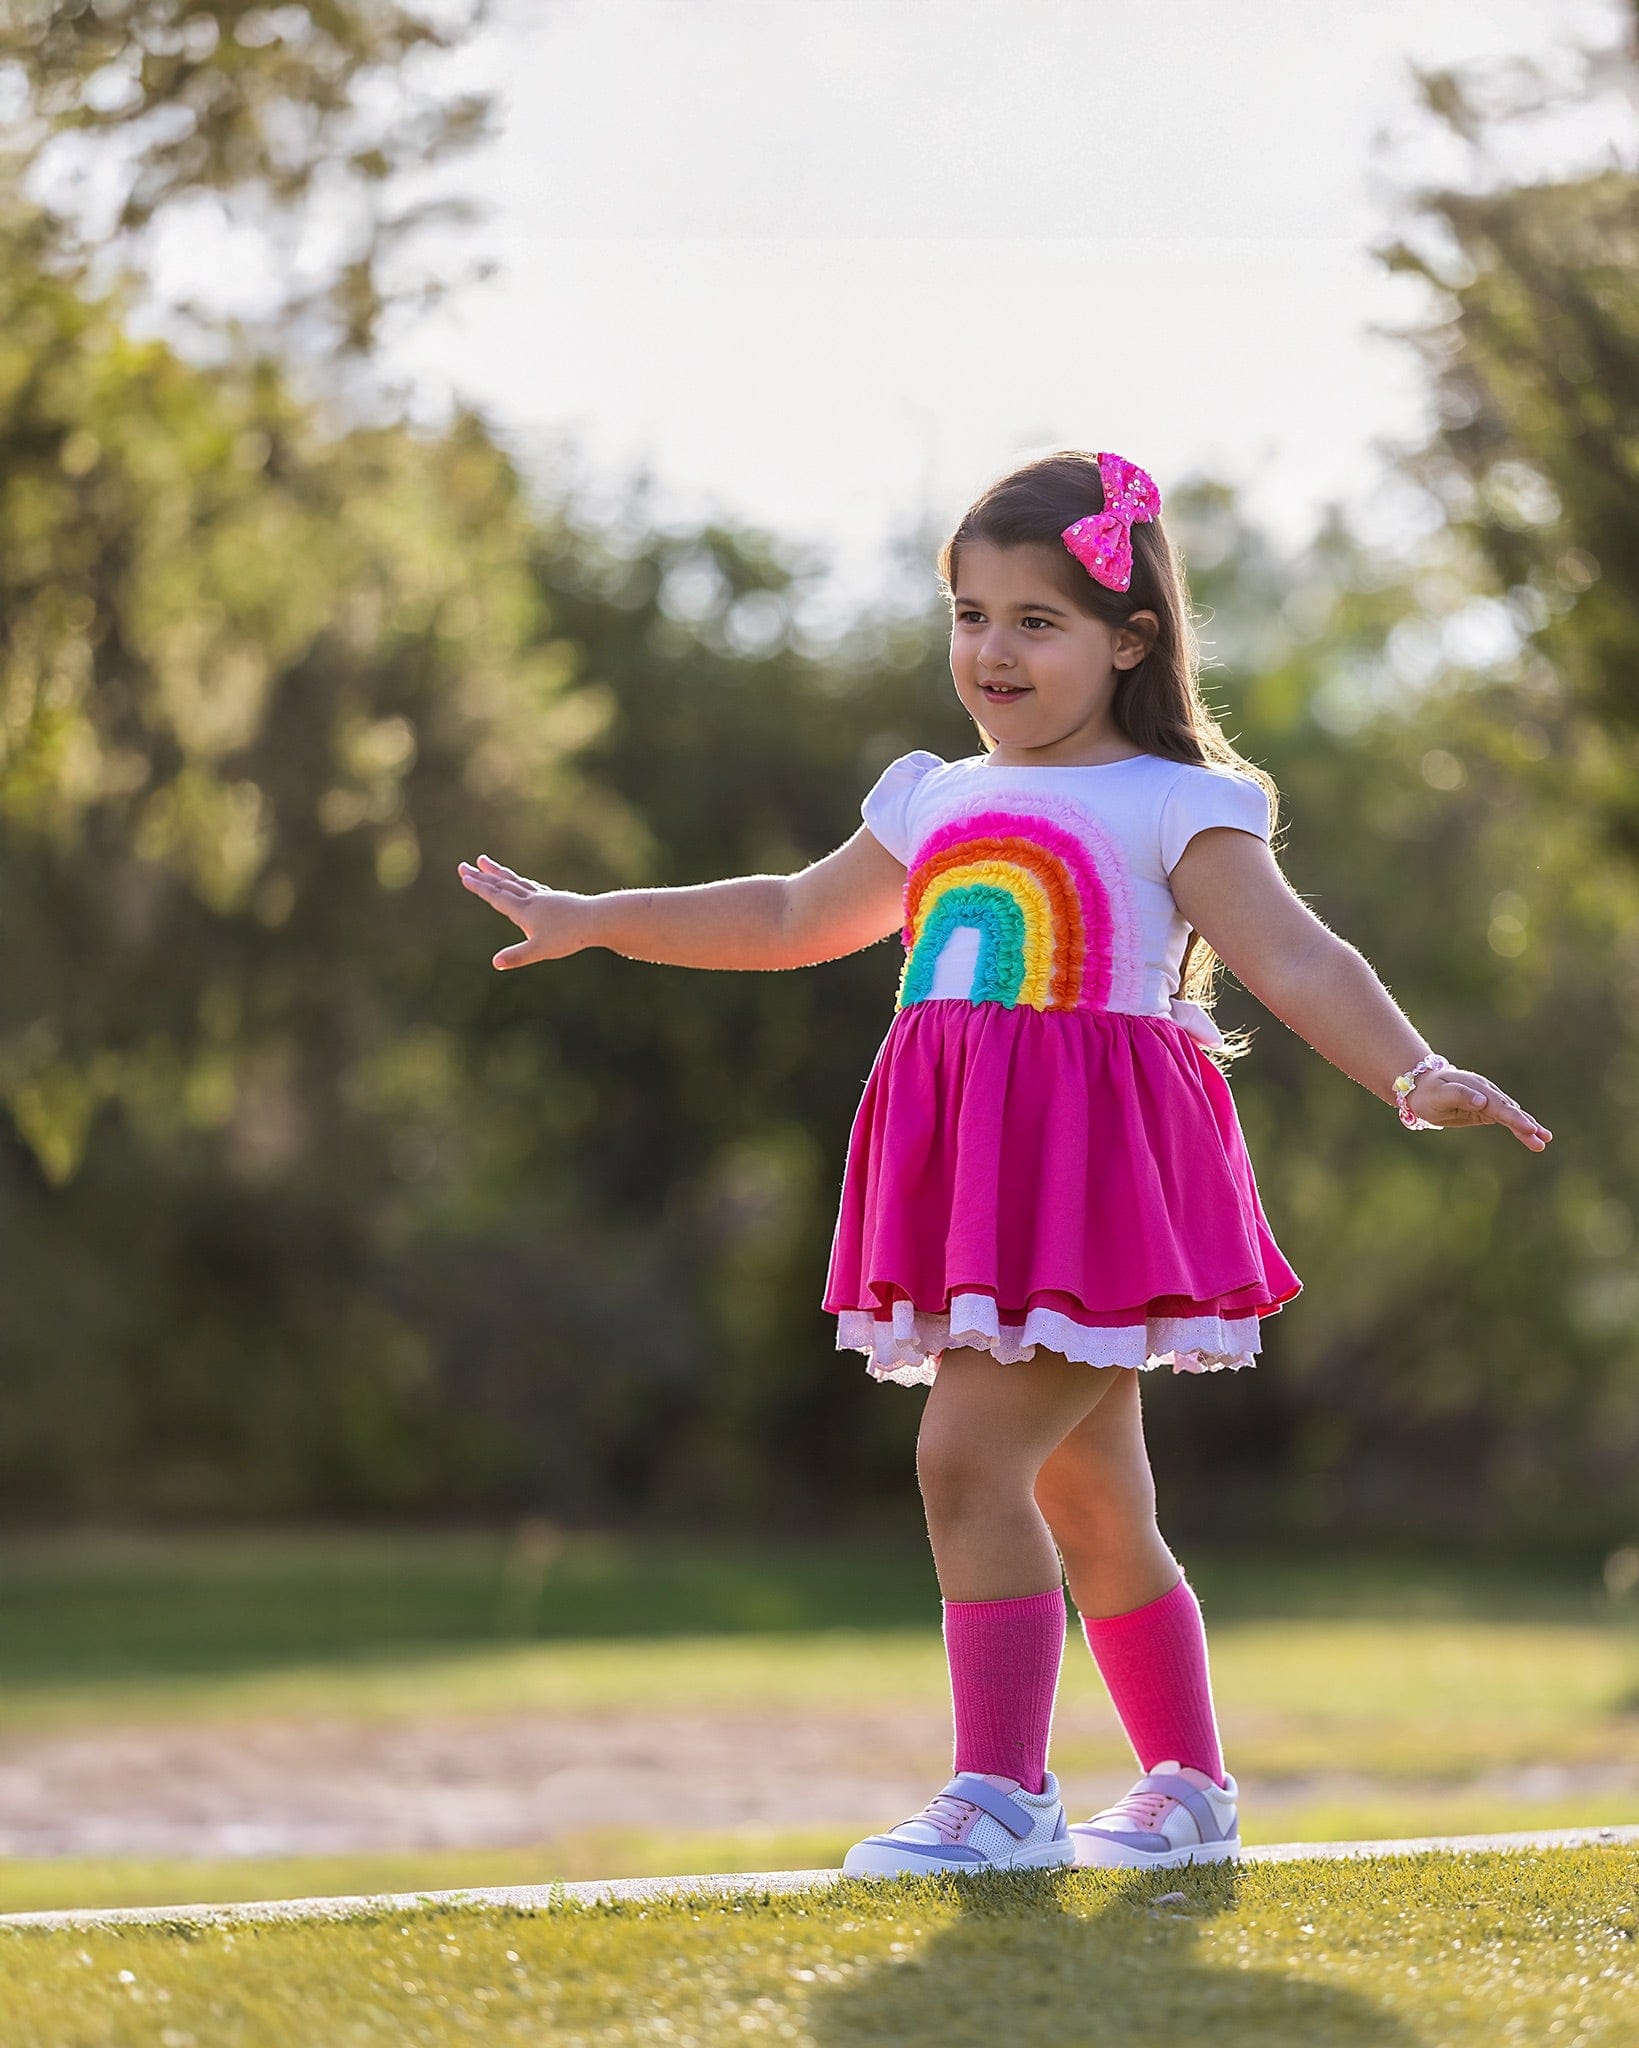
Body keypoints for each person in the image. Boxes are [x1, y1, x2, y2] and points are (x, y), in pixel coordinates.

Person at [458, 447, 1553, 1880]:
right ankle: (1189, 1789)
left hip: (1097, 1184)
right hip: (977, 1180)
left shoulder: (1179, 802)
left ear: (1128, 642)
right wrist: (605, 916)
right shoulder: (927, 793)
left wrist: (1410, 1071)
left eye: (1037, 621)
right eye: (971, 615)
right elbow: (791, 911)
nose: (994, 650)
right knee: (1091, 1501)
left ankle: (1002, 1794)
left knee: (967, 1459)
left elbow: (1294, 954)